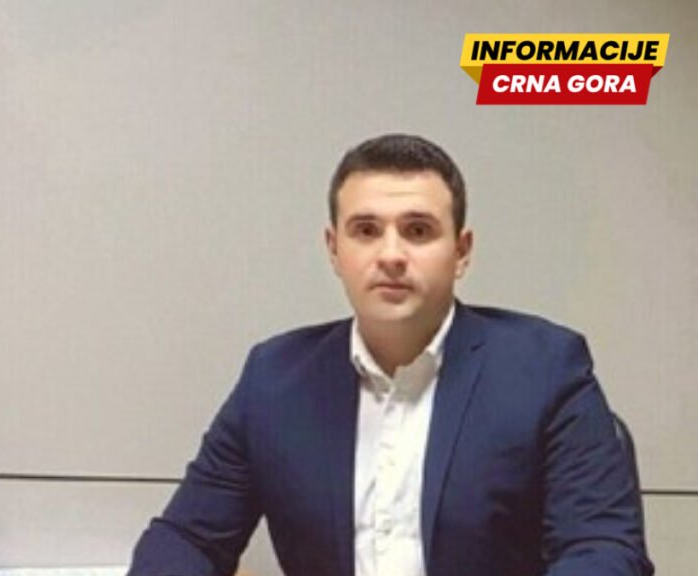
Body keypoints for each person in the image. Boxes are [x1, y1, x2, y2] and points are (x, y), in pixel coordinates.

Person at [128, 134, 653, 576]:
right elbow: (188, 539)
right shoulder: (274, 379)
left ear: (461, 251)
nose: (392, 254)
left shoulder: (545, 369)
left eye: (418, 231)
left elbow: (602, 548)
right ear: (334, 249)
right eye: (366, 231)